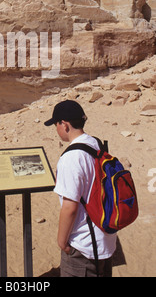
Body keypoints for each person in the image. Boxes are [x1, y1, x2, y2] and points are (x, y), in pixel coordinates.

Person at [44, 100, 117, 277]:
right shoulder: (96, 143)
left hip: (83, 246)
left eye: (56, 124)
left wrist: (62, 242)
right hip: (106, 239)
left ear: (64, 124)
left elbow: (70, 208)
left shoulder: (71, 158)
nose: (56, 129)